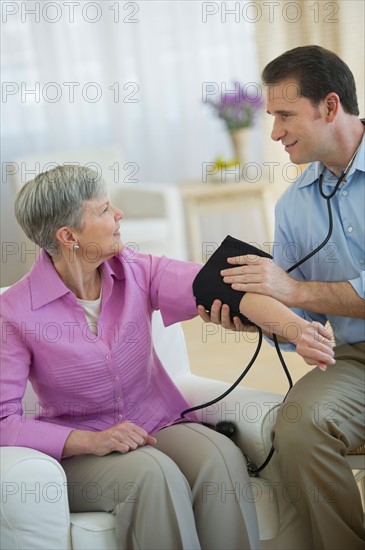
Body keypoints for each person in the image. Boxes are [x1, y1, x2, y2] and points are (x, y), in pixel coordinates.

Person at [0, 164, 336, 550]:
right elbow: (3, 420)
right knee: (153, 474)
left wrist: (298, 331)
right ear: (68, 235)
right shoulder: (14, 312)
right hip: (83, 450)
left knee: (221, 456)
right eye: (105, 209)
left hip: (155, 422)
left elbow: (226, 285)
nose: (119, 215)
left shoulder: (137, 271)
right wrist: (88, 442)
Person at [200, 45, 365, 549]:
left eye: (286, 115)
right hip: (356, 358)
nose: (274, 132)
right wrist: (261, 319)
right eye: (272, 116)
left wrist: (290, 287)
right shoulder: (295, 204)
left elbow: (295, 287)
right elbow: (305, 317)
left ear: (330, 107)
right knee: (296, 425)